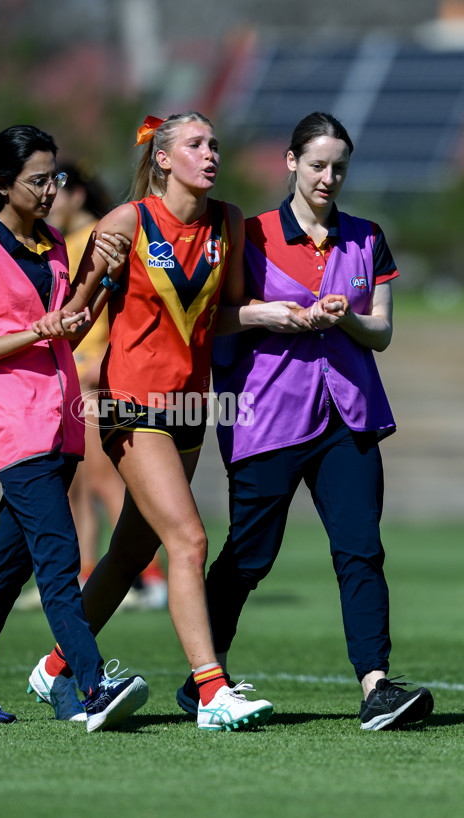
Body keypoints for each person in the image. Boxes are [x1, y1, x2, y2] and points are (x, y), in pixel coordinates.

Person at [174, 111, 434, 731]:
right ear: (291, 163)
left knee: (361, 551)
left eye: (339, 166)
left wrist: (343, 318)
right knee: (250, 557)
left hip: (350, 415)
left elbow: (382, 332)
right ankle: (204, 678)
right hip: (267, 416)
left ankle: (377, 686)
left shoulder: (368, 237)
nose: (329, 177)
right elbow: (218, 318)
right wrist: (279, 314)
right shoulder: (250, 234)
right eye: (317, 164)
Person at [29, 112, 274, 732]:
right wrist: (103, 274)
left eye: (215, 143)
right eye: (195, 145)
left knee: (129, 552)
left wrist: (284, 315)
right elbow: (73, 321)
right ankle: (211, 690)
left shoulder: (230, 222)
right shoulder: (126, 222)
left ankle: (58, 667)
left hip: (189, 406)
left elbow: (225, 313)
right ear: (163, 159)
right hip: (126, 403)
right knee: (188, 541)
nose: (210, 153)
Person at [0, 124, 148, 732]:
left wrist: (101, 280)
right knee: (59, 558)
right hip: (11, 426)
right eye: (38, 179)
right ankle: (90, 681)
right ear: (3, 185)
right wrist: (37, 332)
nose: (53, 189)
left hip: (56, 423)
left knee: (9, 566)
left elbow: (70, 328)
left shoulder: (52, 244)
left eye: (55, 177)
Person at [15, 161, 167, 613]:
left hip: (96, 378)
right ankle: (84, 573)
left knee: (106, 481)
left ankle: (151, 578)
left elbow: (108, 315)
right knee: (78, 485)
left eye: (55, 188)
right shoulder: (61, 244)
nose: (48, 199)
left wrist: (93, 363)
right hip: (72, 377)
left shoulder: (99, 240)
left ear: (77, 194)